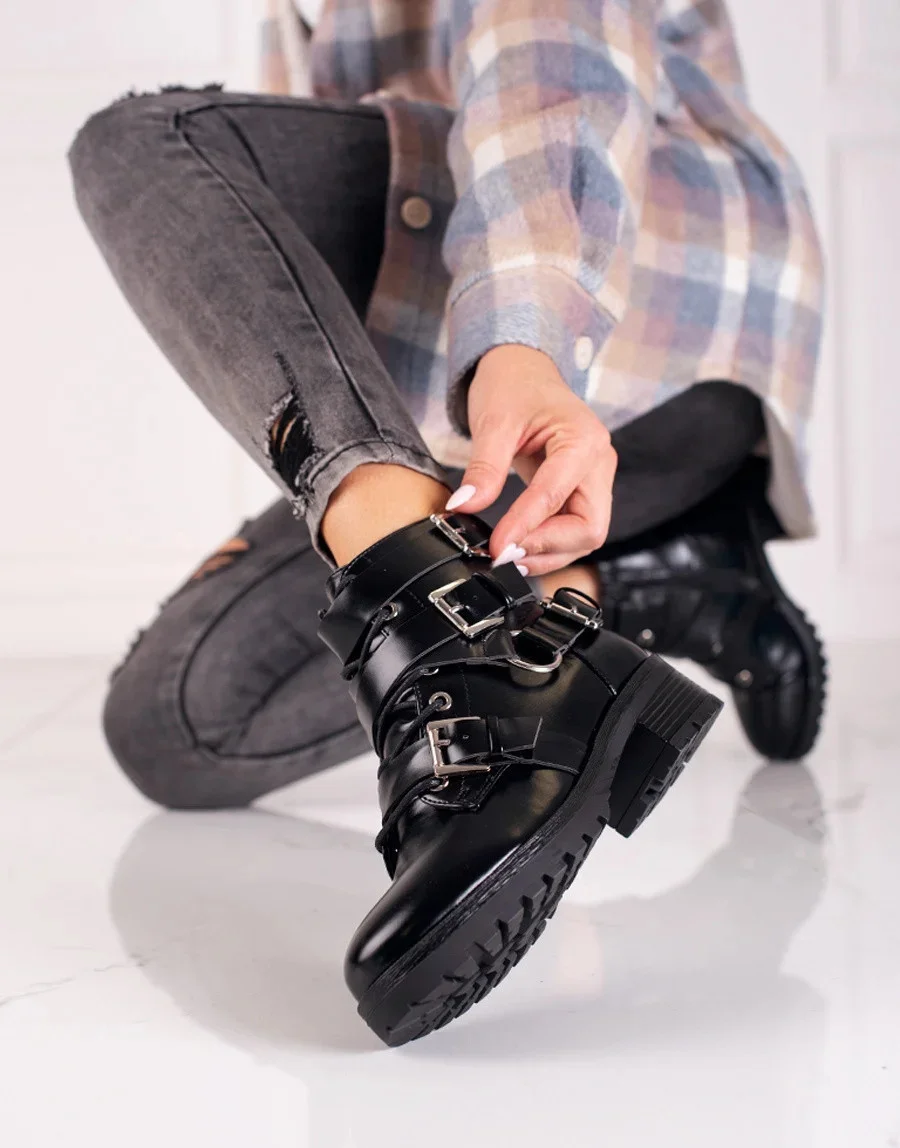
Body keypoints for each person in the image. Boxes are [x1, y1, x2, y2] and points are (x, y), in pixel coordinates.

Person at [67, 0, 825, 1045]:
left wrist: (521, 341)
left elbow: (552, 55)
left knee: (148, 143)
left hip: (651, 321)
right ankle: (630, 583)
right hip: (489, 421)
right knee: (174, 722)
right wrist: (321, 489)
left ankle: (473, 651)